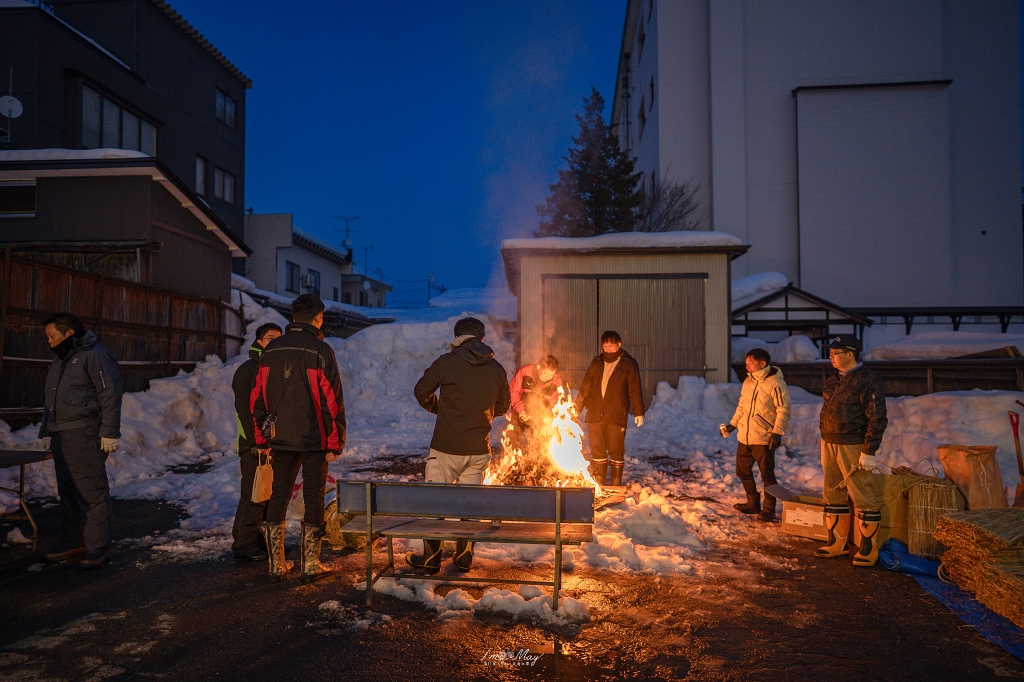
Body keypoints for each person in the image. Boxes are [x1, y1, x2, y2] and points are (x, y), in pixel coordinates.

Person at [252, 295, 346, 583]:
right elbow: (332, 401)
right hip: (313, 437)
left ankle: (276, 564)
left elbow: (257, 398)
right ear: (318, 319)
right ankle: (311, 562)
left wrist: (262, 437)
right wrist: (335, 441)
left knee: (278, 494)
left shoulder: (270, 350)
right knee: (314, 495)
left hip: (279, 437)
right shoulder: (321, 351)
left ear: (293, 317)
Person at [410, 317, 511, 573]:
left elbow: (421, 391)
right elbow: (503, 406)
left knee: (436, 503)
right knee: (469, 504)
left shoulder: (446, 362)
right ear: (482, 339)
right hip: (478, 450)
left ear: (457, 337)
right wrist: (481, 414)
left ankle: (432, 558)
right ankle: (464, 555)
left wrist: (440, 408)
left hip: (446, 447)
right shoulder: (497, 369)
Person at [38, 312, 123, 569]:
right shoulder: (60, 360)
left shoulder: (95, 356)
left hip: (84, 434)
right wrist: (46, 431)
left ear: (69, 333)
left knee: (90, 492)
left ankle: (98, 546)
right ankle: (73, 541)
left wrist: (110, 432)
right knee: (67, 492)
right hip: (61, 435)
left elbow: (110, 395)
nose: (49, 342)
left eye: (52, 336)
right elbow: (50, 399)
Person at [815, 334, 888, 568]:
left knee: (861, 494)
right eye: (830, 353)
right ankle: (838, 542)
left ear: (850, 354)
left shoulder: (868, 380)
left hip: (853, 444)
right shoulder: (833, 378)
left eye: (835, 353)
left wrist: (869, 450)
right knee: (833, 493)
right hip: (830, 441)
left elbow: (877, 417)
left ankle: (868, 547)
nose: (831, 357)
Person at [230, 322, 283, 562]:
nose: (274, 342)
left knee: (268, 496)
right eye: (270, 338)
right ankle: (244, 545)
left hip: (271, 443)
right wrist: (256, 441)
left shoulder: (273, 367)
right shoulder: (249, 369)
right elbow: (245, 409)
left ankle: (263, 543)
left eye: (278, 338)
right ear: (259, 341)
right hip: (253, 444)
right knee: (253, 495)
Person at [722, 348, 791, 522]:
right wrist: (733, 424)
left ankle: (769, 509)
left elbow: (783, 409)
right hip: (744, 436)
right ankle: (753, 503)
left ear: (763, 363)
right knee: (742, 470)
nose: (747, 367)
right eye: (746, 364)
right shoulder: (748, 382)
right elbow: (742, 407)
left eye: (750, 364)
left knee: (767, 474)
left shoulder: (775, 383)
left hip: (763, 438)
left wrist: (777, 432)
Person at [575, 330, 644, 487]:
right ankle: (600, 481)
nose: (607, 349)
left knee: (615, 449)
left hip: (615, 413)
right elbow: (586, 386)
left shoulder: (628, 363)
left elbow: (635, 388)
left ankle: (615, 482)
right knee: (597, 449)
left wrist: (638, 411)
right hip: (595, 413)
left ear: (619, 345)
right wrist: (576, 408)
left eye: (611, 346)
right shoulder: (596, 362)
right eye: (605, 346)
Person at [507, 355, 563, 443]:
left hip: (541, 416)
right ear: (539, 367)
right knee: (512, 439)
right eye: (546, 373)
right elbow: (514, 392)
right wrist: (521, 411)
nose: (548, 377)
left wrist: (546, 419)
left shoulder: (556, 381)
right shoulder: (525, 371)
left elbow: (555, 404)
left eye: (551, 374)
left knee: (541, 444)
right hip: (520, 412)